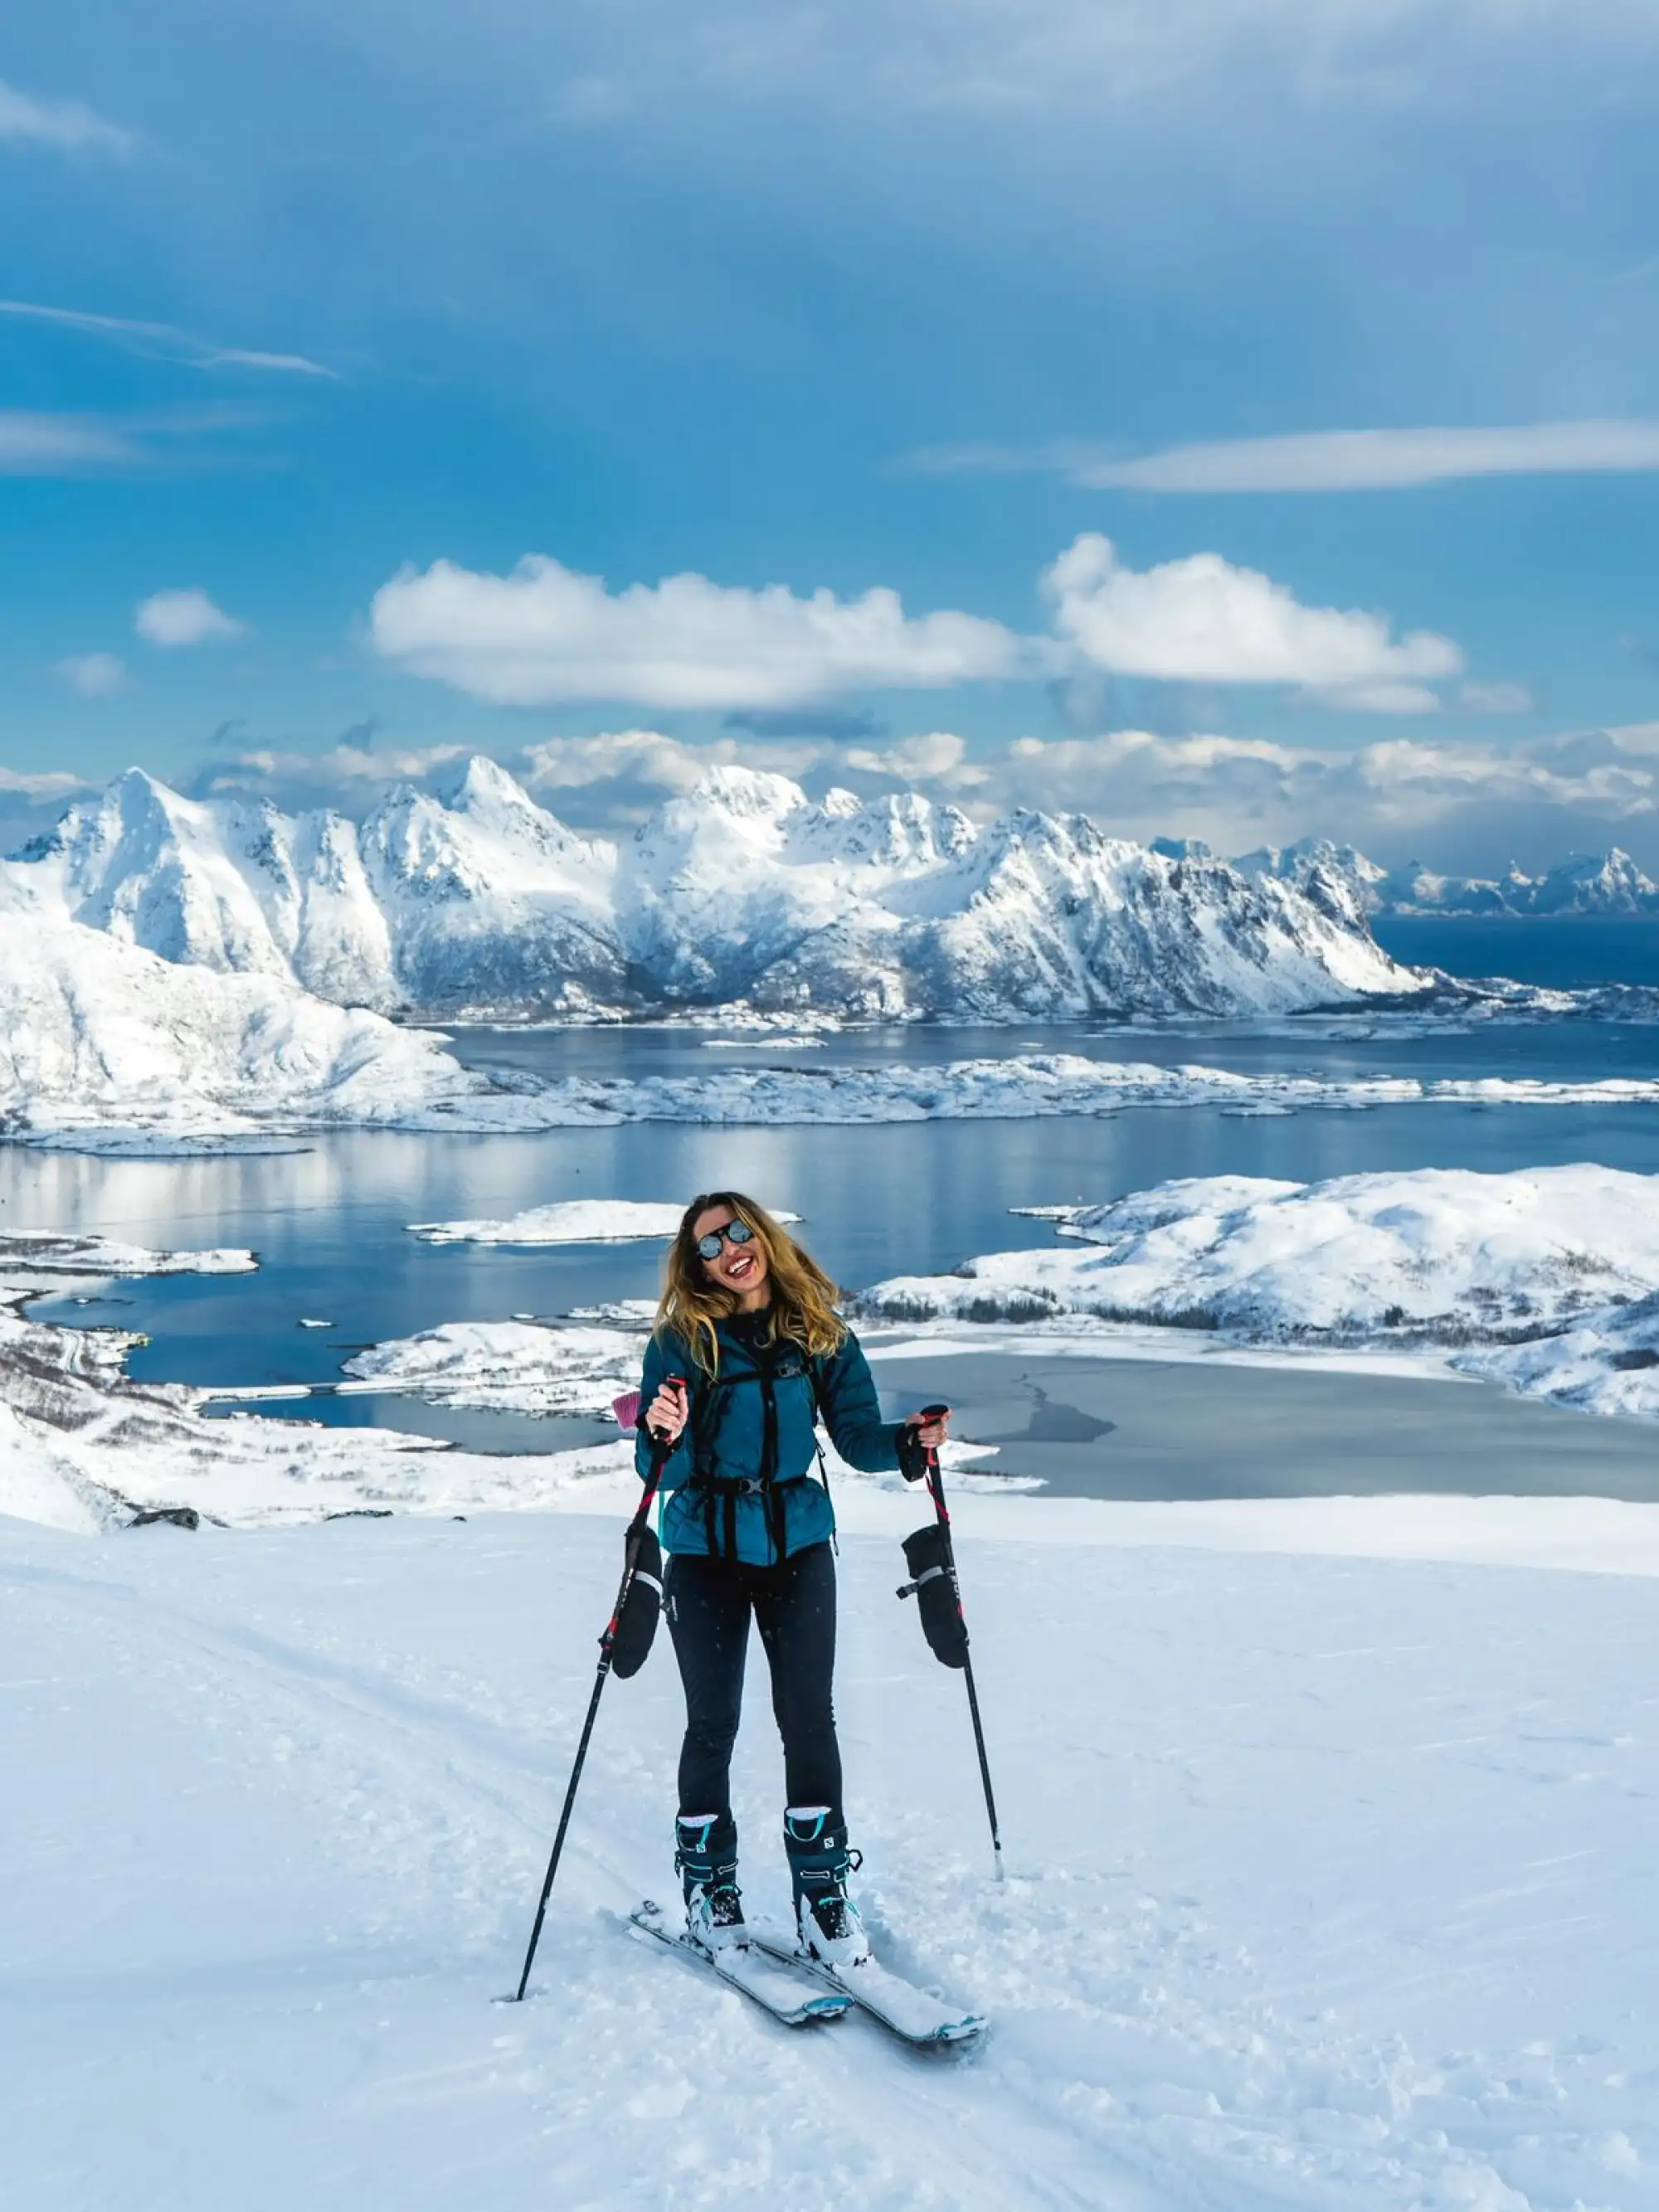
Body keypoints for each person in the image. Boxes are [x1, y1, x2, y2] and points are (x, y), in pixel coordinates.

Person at [635, 1189, 949, 1969]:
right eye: (710, 1244)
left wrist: (908, 1442)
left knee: (810, 1715)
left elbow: (855, 1437)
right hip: (706, 1548)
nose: (730, 1249)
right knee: (715, 1721)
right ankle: (711, 1889)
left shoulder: (821, 1333)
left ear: (764, 1235)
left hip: (799, 1543)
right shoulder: (682, 1341)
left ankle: (822, 1893)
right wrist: (659, 1431)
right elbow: (656, 1466)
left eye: (739, 1231)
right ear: (694, 1262)